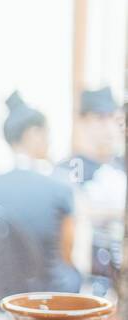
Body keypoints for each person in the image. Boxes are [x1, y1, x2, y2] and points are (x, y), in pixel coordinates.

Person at [0, 92, 81, 309]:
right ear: (33, 134)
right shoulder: (59, 186)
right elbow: (68, 250)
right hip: (51, 293)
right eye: (47, 134)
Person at [54, 87, 125, 296]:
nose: (108, 126)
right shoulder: (67, 170)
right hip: (84, 281)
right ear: (83, 121)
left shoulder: (121, 166)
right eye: (100, 118)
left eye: (113, 117)